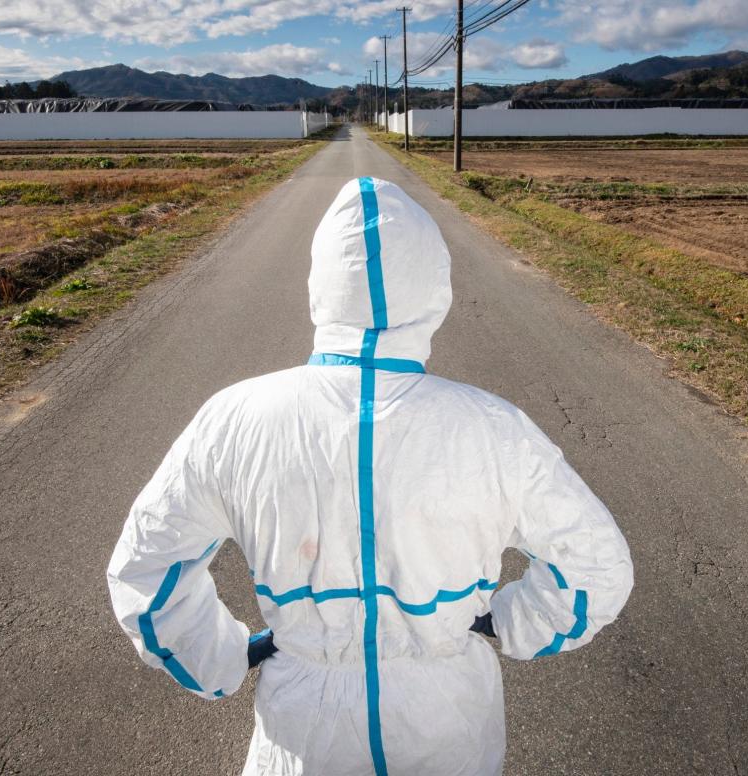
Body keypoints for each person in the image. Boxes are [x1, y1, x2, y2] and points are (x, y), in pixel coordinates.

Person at [107, 177, 633, 776]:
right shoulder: (493, 426)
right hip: (447, 728)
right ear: (435, 288)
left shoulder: (234, 418)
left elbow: (148, 571)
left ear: (320, 287)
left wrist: (223, 659)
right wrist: (511, 623)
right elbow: (596, 567)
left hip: (303, 734)